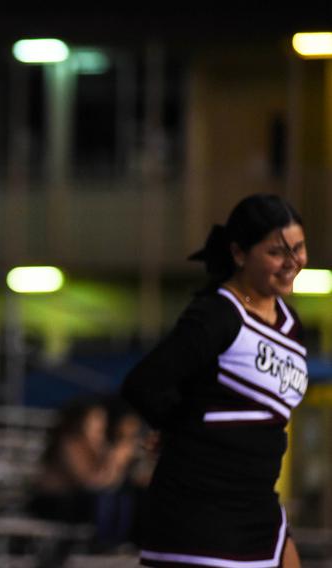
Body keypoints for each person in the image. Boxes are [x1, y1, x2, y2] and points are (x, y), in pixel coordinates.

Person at [122, 194, 307, 567]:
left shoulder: (290, 323)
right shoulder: (218, 315)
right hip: (199, 510)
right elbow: (143, 383)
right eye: (276, 252)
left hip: (257, 504)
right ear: (240, 254)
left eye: (299, 248)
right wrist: (179, 426)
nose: (292, 263)